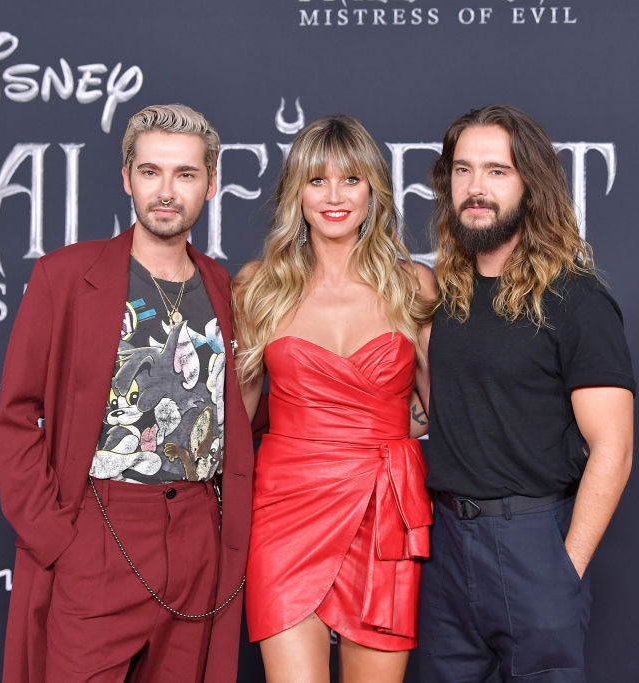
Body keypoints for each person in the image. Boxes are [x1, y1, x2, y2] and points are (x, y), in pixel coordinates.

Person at [0, 103, 253, 683]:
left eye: (185, 174)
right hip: (99, 531)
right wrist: (60, 539)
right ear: (127, 177)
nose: (167, 191)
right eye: (151, 171)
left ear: (211, 184)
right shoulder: (65, 276)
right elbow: (16, 417)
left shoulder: (226, 289)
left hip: (196, 538)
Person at [415, 104, 635, 682]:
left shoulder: (577, 299)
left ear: (531, 186)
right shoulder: (447, 295)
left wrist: (565, 570)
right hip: (443, 548)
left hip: (533, 543)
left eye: (496, 171)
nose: (476, 187)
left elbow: (613, 447)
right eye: (463, 170)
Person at [233, 114, 438, 682]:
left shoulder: (413, 284)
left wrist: (386, 431)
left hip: (383, 514)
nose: (334, 196)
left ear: (374, 189)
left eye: (350, 179)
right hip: (284, 513)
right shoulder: (259, 286)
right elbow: (237, 418)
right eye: (316, 180)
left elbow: (444, 407)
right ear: (295, 193)